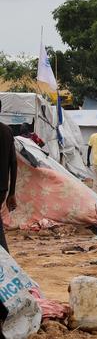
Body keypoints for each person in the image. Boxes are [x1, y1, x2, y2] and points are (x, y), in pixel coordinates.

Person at [0, 102, 18, 254]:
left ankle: (5, 256)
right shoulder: (7, 131)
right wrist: (11, 192)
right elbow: (13, 162)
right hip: (2, 188)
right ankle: (5, 255)